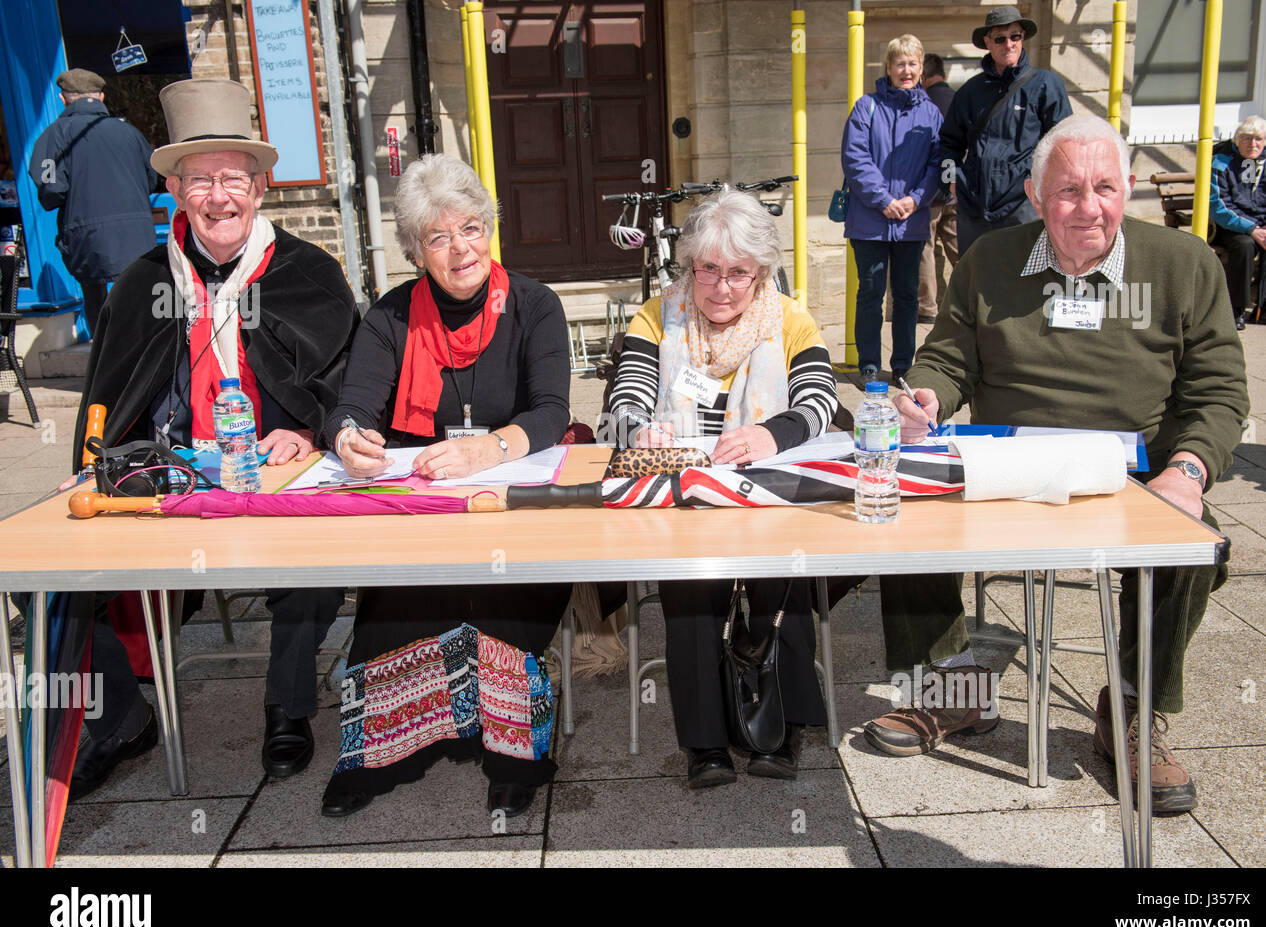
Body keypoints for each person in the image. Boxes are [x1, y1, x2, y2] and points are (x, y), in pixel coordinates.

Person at [864, 114, 1249, 817]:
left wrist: (1188, 470)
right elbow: (950, 357)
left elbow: (1219, 390)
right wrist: (925, 394)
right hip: (1007, 464)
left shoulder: (1185, 266)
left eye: (1105, 187)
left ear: (1128, 188)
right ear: (1036, 197)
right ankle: (958, 685)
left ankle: (1130, 706)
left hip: (1137, 474)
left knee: (1193, 544)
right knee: (898, 509)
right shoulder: (988, 260)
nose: (1090, 206)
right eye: (1068, 190)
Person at [69, 78, 358, 796]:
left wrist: (304, 428)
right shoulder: (139, 286)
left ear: (260, 188)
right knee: (55, 577)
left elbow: (347, 387)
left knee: (311, 564)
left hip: (278, 481)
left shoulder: (309, 273)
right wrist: (106, 466)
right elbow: (109, 400)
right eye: (200, 180)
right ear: (173, 187)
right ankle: (124, 714)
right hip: (172, 479)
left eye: (233, 178)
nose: (218, 196)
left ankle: (287, 707)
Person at [319, 153, 571, 819]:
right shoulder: (391, 317)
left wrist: (486, 449)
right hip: (422, 504)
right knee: (394, 600)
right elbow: (350, 408)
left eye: (471, 228)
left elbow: (549, 412)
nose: (461, 248)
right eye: (439, 236)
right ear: (415, 249)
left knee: (504, 594)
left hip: (514, 501)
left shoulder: (536, 306)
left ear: (489, 228)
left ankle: (513, 752)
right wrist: (350, 440)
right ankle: (386, 750)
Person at [608, 189, 837, 788]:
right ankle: (704, 742)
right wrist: (640, 428)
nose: (721, 287)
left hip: (765, 491)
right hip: (685, 491)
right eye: (708, 269)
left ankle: (780, 728)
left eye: (738, 272)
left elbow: (820, 401)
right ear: (690, 266)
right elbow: (624, 399)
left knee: (780, 589)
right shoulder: (657, 315)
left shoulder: (789, 318)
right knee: (690, 596)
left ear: (760, 272)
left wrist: (770, 433)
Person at [841, 34, 943, 386]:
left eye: (913, 63)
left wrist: (916, 199)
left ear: (921, 67)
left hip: (912, 220)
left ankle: (902, 364)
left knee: (906, 295)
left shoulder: (931, 114)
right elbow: (855, 159)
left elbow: (937, 165)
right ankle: (869, 364)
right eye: (900, 63)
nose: (906, 70)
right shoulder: (866, 107)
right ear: (888, 67)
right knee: (870, 293)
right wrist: (884, 199)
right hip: (870, 220)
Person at [28, 69, 159, 339]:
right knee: (139, 300)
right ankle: (144, 364)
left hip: (86, 236)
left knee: (97, 305)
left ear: (63, 99)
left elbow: (51, 189)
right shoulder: (129, 133)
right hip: (137, 234)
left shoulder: (54, 137)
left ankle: (105, 366)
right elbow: (152, 178)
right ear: (100, 96)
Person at [938, 5, 1071, 256]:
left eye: (1015, 36)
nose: (1008, 44)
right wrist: (951, 182)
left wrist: (1049, 197)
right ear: (988, 42)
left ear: (1023, 39)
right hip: (974, 209)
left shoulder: (1045, 85)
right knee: (976, 285)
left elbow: (1064, 145)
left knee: (1025, 286)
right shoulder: (970, 91)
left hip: (1024, 207)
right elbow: (948, 143)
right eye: (1000, 38)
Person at [1209, 116, 1266, 330]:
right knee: (1244, 245)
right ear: (1237, 139)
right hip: (1230, 226)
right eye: (1247, 139)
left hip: (1265, 223)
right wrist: (1252, 230)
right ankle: (1236, 309)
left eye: (1258, 139)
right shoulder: (1221, 161)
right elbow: (1218, 205)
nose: (1253, 144)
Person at [918, 53, 959, 324]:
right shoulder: (959, 99)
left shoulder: (924, 103)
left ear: (924, 76)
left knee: (926, 250)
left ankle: (927, 311)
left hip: (932, 192)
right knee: (962, 250)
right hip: (958, 188)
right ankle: (975, 302)